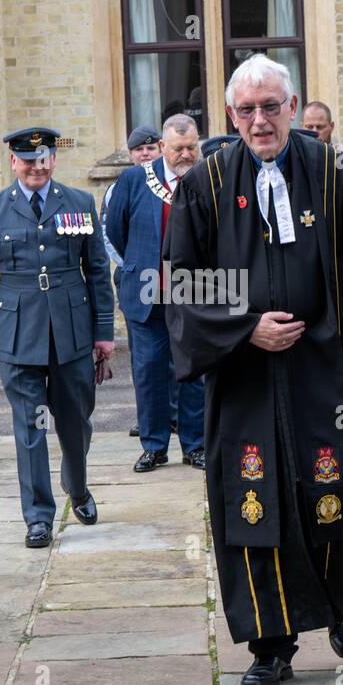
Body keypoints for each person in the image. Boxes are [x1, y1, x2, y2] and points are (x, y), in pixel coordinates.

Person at [164, 54, 343, 685]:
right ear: (231, 116)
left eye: (271, 107)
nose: (260, 121)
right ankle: (270, 645)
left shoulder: (341, 176)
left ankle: (339, 600)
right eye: (247, 110)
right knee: (252, 505)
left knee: (330, 497)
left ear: (293, 107)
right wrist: (243, 326)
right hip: (246, 377)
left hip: (324, 372)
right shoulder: (205, 184)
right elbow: (179, 282)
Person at [0, 127, 115, 548]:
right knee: (30, 426)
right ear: (13, 162)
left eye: (44, 158)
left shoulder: (80, 203)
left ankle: (78, 486)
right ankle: (38, 517)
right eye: (28, 160)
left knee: (75, 421)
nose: (37, 166)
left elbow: (99, 272)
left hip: (71, 331)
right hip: (17, 334)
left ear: (54, 159)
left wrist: (104, 332)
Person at [106, 114, 207, 472]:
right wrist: (138, 263)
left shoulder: (207, 177)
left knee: (193, 373)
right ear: (162, 147)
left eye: (191, 147)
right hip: (147, 296)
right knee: (149, 372)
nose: (185, 154)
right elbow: (116, 230)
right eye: (178, 148)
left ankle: (196, 445)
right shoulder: (134, 180)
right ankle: (154, 445)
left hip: (193, 294)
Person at [104, 125, 161, 439]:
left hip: (171, 282)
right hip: (134, 277)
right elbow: (109, 232)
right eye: (140, 149)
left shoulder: (170, 183)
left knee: (174, 362)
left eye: (151, 148)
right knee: (145, 360)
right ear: (131, 153)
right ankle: (148, 421)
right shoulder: (121, 185)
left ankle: (176, 417)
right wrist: (135, 263)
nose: (145, 153)